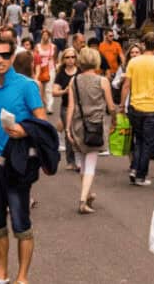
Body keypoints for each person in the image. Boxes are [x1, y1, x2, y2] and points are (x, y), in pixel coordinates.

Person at [0, 36, 46, 284]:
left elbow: (42, 122)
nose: (0, 60)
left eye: (5, 55)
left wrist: (25, 131)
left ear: (12, 57)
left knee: (20, 222)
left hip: (17, 164)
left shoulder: (27, 85)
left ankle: (22, 278)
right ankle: (1, 275)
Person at [66, 48, 117, 214]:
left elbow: (71, 106)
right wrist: (114, 120)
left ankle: (87, 195)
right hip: (95, 125)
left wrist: (67, 128)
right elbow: (110, 107)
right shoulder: (102, 81)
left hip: (78, 125)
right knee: (90, 164)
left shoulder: (73, 81)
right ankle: (82, 199)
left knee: (82, 163)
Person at [121, 33, 154, 186]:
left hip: (135, 106)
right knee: (148, 142)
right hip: (151, 108)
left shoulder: (133, 62)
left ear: (143, 45)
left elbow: (126, 85)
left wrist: (122, 105)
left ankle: (135, 168)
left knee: (139, 140)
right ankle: (141, 174)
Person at [53, 47, 79, 170]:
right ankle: (70, 161)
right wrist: (65, 91)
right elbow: (54, 92)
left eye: (73, 57)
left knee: (79, 132)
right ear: (63, 59)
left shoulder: (80, 71)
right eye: (67, 57)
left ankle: (80, 159)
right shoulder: (61, 74)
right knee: (69, 134)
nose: (70, 60)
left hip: (80, 107)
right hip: (66, 107)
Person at [34, 31, 57, 114]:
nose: (45, 37)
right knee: (40, 89)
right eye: (43, 35)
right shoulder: (37, 46)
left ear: (49, 36)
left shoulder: (53, 46)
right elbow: (35, 57)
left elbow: (55, 58)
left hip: (50, 68)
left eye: (47, 35)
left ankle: (49, 107)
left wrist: (55, 67)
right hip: (39, 69)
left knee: (48, 88)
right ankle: (41, 105)